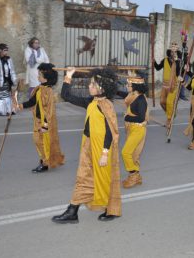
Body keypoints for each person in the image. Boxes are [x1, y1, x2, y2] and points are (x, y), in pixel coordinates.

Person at [52, 67, 121, 224]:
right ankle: (72, 211)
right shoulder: (90, 101)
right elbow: (66, 95)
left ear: (101, 87)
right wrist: (68, 76)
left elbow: (111, 132)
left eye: (92, 84)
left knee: (104, 178)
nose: (89, 86)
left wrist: (104, 153)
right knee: (84, 177)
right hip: (88, 146)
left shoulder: (107, 106)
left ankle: (111, 209)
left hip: (102, 148)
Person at [16, 63, 64, 173]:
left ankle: (45, 163)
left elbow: (49, 110)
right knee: (38, 141)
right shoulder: (39, 88)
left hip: (44, 123)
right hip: (38, 120)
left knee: (42, 142)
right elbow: (32, 101)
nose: (38, 77)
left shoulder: (48, 91)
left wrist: (45, 126)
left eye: (40, 75)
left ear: (46, 78)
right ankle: (44, 161)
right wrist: (20, 106)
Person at [121, 77, 148, 189]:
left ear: (135, 87)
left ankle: (134, 174)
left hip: (137, 130)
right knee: (132, 155)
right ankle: (135, 176)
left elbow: (141, 118)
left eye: (129, 85)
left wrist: (127, 117)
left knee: (125, 153)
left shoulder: (141, 100)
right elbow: (125, 96)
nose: (127, 87)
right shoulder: (133, 96)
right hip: (131, 129)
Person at [154, 42, 182, 129]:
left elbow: (179, 72)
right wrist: (154, 61)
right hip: (165, 85)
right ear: (170, 49)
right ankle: (172, 113)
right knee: (162, 102)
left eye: (175, 46)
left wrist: (177, 61)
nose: (173, 48)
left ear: (177, 49)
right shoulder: (165, 60)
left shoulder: (180, 61)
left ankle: (169, 119)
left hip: (174, 85)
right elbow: (158, 68)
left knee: (169, 103)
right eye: (172, 46)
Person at [0, 43, 18, 116]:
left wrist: (14, 79)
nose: (6, 52)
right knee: (1, 95)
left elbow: (12, 70)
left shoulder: (9, 59)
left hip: (8, 80)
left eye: (7, 50)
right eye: (5, 50)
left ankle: (8, 109)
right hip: (0, 81)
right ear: (0, 50)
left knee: (7, 95)